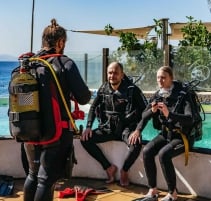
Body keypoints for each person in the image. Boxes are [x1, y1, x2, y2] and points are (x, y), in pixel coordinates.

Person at [22, 18, 91, 201]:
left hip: (29, 129)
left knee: (32, 174)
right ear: (60, 42)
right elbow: (84, 97)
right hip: (56, 132)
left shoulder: (30, 63)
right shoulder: (65, 63)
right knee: (46, 180)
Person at [130, 66, 194, 201]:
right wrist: (139, 129)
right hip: (166, 134)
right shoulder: (158, 94)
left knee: (164, 154)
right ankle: (152, 190)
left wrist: (169, 114)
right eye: (158, 77)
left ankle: (173, 193)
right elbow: (144, 115)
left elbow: (190, 118)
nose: (160, 80)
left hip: (182, 137)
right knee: (147, 151)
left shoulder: (183, 95)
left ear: (171, 78)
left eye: (163, 77)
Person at [80, 61, 147, 186]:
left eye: (116, 73)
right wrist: (88, 126)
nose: (112, 76)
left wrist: (138, 130)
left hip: (125, 130)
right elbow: (93, 107)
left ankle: (124, 170)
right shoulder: (104, 88)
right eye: (110, 73)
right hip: (107, 129)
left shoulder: (132, 90)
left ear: (122, 75)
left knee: (136, 143)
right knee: (85, 139)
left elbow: (145, 112)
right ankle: (109, 168)